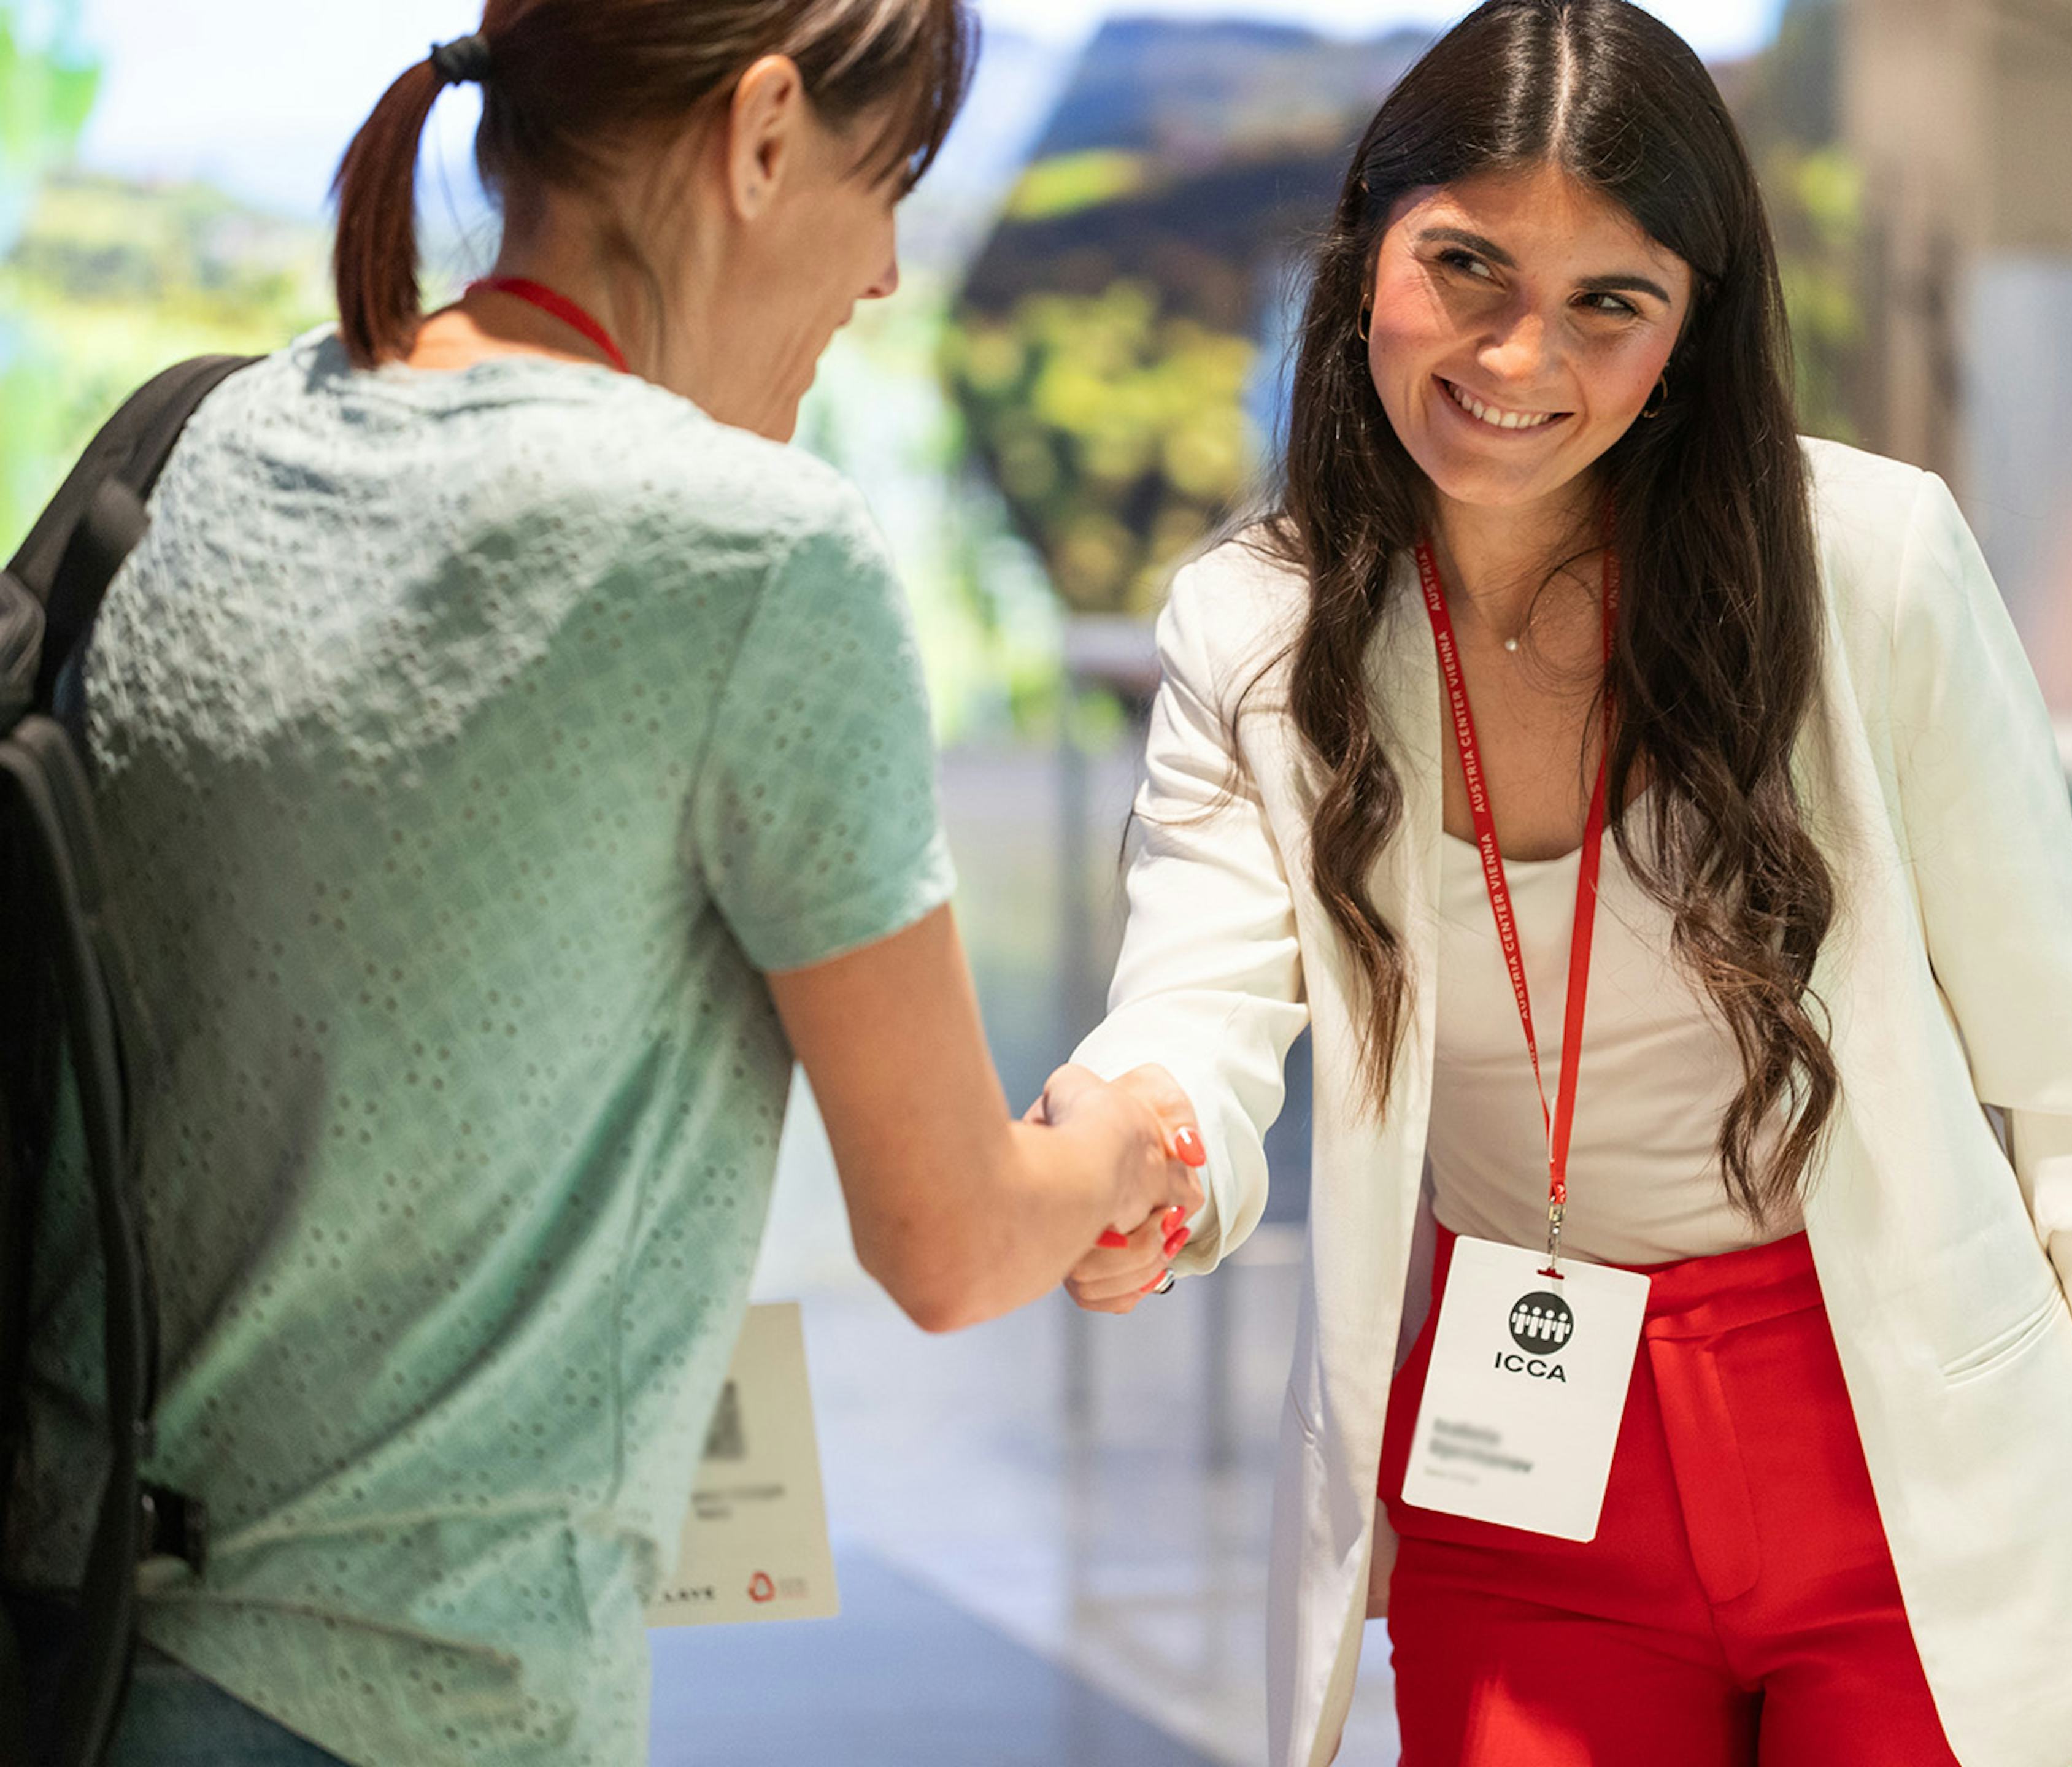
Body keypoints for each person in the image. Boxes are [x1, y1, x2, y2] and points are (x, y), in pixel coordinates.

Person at [1058, 4, 2072, 1765]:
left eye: (1606, 303)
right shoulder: (1260, 626)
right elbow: (1202, 1006)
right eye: (1464, 266)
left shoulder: (1869, 566)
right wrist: (1138, 1156)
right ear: (1364, 253)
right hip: (1522, 1464)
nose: (1517, 355)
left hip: (1897, 1427)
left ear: (1689, 332)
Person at [7, 2, 1204, 1763]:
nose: (883, 272)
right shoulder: (749, 562)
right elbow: (950, 1239)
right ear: (766, 131)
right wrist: (1124, 1146)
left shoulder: (205, 442)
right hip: (402, 1705)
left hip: (63, 1637)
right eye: (890, 188)